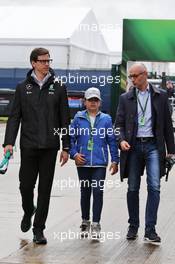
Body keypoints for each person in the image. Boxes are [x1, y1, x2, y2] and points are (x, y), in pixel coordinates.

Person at [3, 47, 70, 244]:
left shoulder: (59, 87)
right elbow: (14, 117)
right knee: (25, 185)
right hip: (29, 145)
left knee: (45, 190)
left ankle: (38, 229)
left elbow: (64, 119)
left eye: (48, 60)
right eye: (42, 61)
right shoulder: (22, 87)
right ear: (33, 63)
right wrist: (8, 143)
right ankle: (27, 210)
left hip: (50, 146)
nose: (47, 64)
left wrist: (66, 147)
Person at [115, 63, 175, 243]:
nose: (132, 79)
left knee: (154, 187)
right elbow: (118, 125)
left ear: (145, 75)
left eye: (135, 76)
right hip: (132, 147)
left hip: (153, 147)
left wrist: (171, 151)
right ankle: (133, 226)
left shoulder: (161, 96)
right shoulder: (125, 98)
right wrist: (121, 140)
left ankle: (150, 229)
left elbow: (167, 126)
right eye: (131, 76)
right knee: (133, 187)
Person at [70, 87, 119, 239]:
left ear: (100, 103)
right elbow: (70, 139)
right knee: (85, 192)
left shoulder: (106, 119)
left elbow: (111, 141)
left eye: (95, 100)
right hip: (82, 162)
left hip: (99, 163)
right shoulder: (78, 118)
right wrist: (74, 154)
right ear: (85, 102)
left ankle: (96, 223)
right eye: (90, 100)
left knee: (98, 192)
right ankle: (85, 221)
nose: (93, 103)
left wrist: (115, 160)